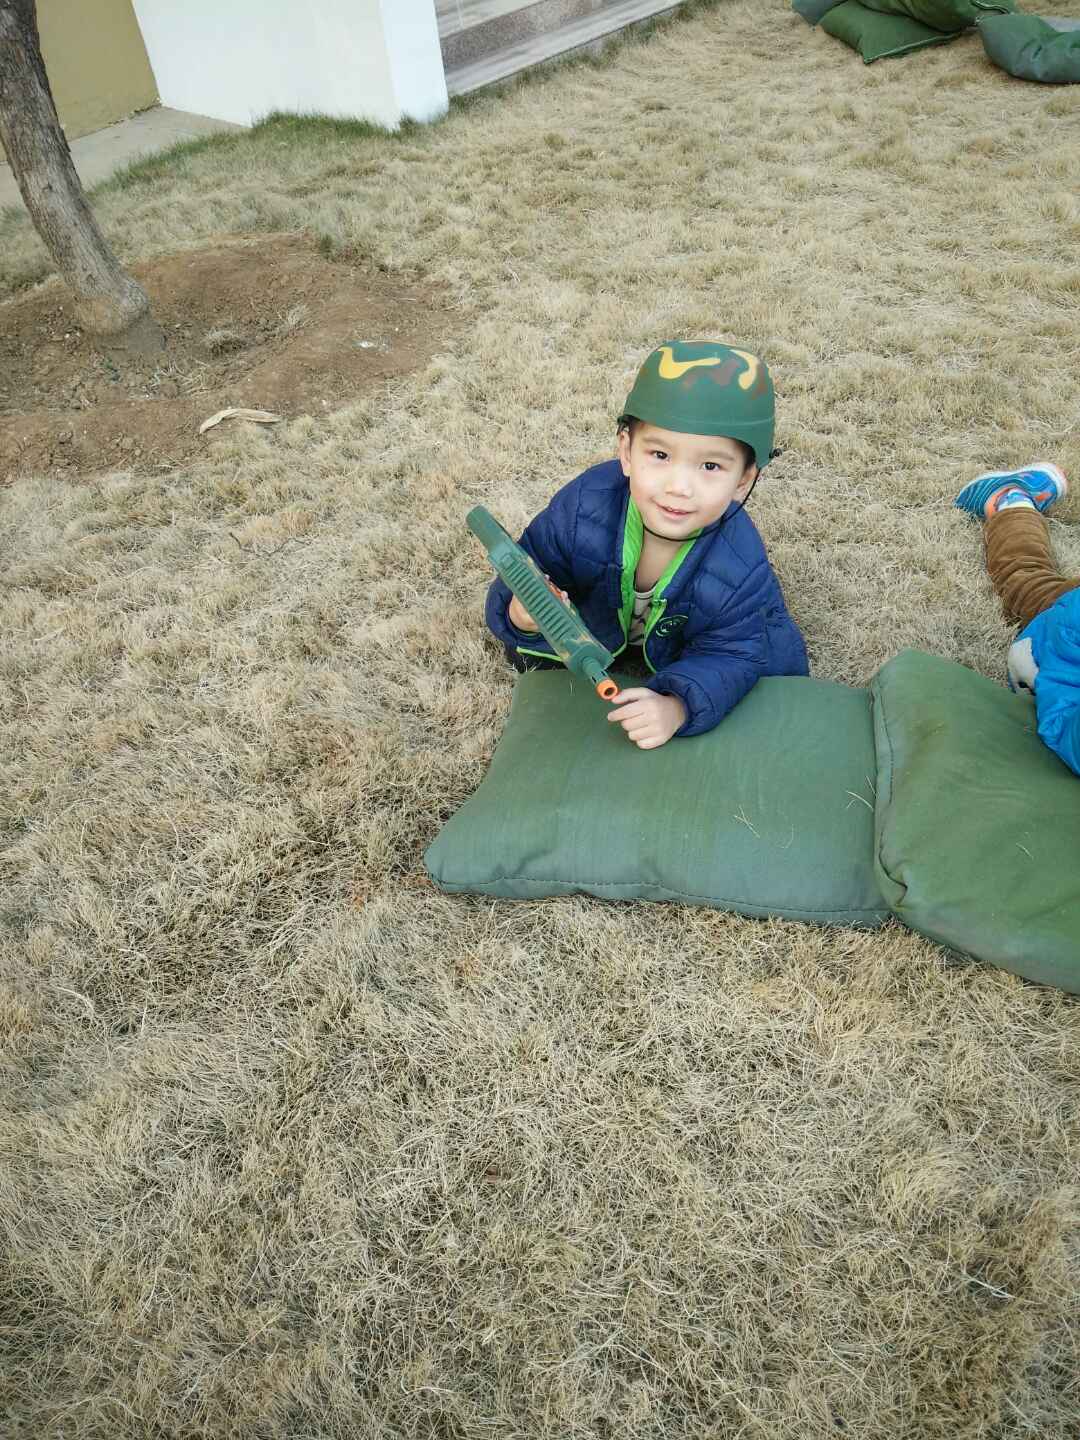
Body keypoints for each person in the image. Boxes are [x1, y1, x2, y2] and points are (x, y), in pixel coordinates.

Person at [484, 341, 808, 749]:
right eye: (659, 454)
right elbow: (528, 567)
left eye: (710, 466)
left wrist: (677, 706)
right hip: (604, 625)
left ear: (743, 479)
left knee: (762, 672)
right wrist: (523, 615)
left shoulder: (739, 563)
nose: (679, 487)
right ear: (626, 451)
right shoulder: (582, 509)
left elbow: (733, 654)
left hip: (705, 639)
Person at [954, 462, 1080, 776]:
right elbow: (1062, 714)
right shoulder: (1069, 632)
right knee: (1026, 580)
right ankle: (1011, 501)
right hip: (1060, 628)